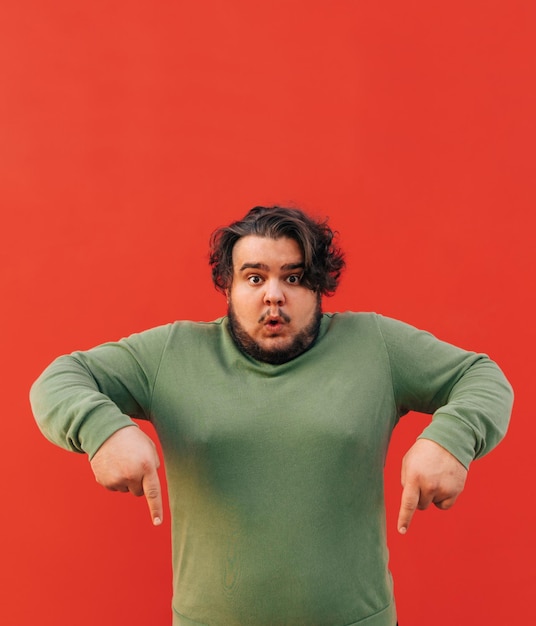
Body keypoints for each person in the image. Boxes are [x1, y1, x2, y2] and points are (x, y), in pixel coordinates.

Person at [30, 206, 513, 626]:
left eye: (294, 277)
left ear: (319, 285)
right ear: (229, 285)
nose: (273, 295)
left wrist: (452, 436)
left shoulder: (375, 345)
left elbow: (482, 376)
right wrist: (103, 430)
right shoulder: (173, 353)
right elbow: (59, 379)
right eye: (255, 277)